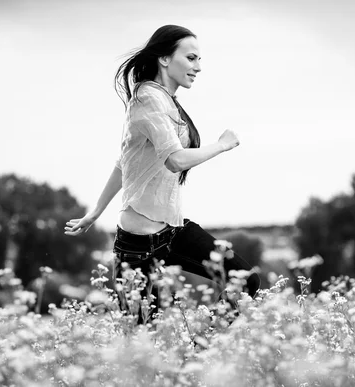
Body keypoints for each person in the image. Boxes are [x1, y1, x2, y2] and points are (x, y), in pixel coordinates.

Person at [64, 24, 260, 315]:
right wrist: (221, 145)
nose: (198, 67)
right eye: (191, 58)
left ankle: (201, 350)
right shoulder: (147, 99)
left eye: (199, 60)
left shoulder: (166, 101)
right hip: (137, 246)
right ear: (165, 59)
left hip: (172, 232)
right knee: (143, 343)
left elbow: (125, 163)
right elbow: (175, 160)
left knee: (245, 280)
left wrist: (94, 212)